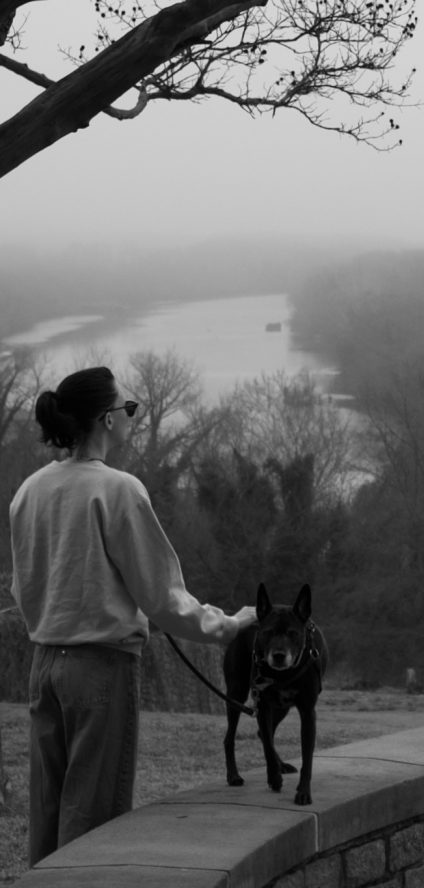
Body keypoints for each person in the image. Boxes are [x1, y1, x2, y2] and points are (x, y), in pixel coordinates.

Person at [9, 366, 257, 867]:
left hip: (44, 667)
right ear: (107, 418)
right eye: (129, 408)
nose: (132, 416)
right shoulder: (119, 490)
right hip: (102, 669)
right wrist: (227, 627)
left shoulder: (29, 491)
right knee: (91, 825)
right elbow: (162, 596)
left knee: (48, 815)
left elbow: (23, 589)